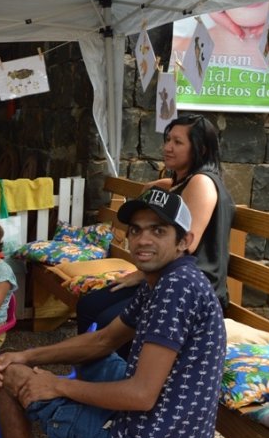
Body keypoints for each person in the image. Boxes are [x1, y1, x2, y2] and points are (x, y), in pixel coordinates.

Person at [0, 188, 226, 438]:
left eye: (158, 231)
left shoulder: (175, 291)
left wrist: (56, 385)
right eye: (137, 229)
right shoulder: (162, 280)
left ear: (185, 241)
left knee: (8, 382)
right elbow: (102, 341)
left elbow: (140, 395)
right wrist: (28, 355)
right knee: (83, 357)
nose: (143, 239)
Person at [76, 113, 235, 336]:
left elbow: (186, 245)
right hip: (165, 277)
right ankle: (87, 368)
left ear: (201, 149)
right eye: (168, 139)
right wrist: (160, 184)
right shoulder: (187, 180)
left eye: (178, 142)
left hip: (190, 288)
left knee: (106, 321)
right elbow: (167, 188)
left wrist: (141, 274)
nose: (168, 147)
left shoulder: (202, 183)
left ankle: (120, 370)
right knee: (89, 305)